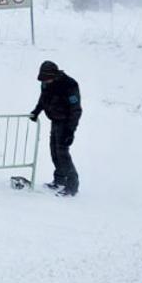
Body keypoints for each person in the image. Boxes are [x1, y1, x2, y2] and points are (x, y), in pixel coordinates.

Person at [29, 60, 82, 196]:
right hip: (55, 120)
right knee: (54, 151)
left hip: (66, 122)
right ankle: (59, 180)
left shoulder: (69, 85)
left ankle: (72, 185)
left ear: (54, 75)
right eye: (43, 80)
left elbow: (76, 110)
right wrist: (36, 111)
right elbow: (43, 98)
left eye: (47, 79)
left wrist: (70, 131)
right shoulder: (46, 83)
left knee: (62, 154)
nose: (45, 82)